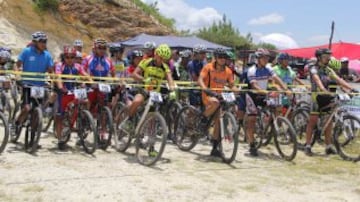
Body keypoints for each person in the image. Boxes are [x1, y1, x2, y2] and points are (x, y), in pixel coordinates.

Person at [304, 48, 355, 156]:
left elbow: (338, 79)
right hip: (316, 97)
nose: (328, 59)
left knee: (329, 122)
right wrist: (322, 88)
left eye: (328, 57)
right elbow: (316, 79)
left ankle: (328, 146)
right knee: (312, 121)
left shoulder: (328, 69)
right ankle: (308, 145)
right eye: (325, 57)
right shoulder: (313, 68)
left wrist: (351, 88)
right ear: (319, 58)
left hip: (327, 97)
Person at [245, 48, 290, 156]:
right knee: (252, 119)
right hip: (253, 96)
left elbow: (276, 78)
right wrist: (267, 92)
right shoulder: (251, 70)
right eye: (263, 58)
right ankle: (251, 144)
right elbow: (255, 86)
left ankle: (269, 126)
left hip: (264, 94)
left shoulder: (268, 68)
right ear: (258, 59)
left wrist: (285, 88)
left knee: (276, 107)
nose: (266, 60)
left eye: (267, 58)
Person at [14, 31, 54, 141]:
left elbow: (51, 71)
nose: (44, 43)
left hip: (40, 86)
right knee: (27, 108)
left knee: (38, 111)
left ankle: (34, 136)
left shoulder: (47, 55)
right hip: (27, 84)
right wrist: (18, 77)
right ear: (35, 42)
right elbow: (17, 65)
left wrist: (54, 82)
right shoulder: (27, 51)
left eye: (45, 41)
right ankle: (17, 123)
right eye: (41, 41)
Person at [198, 48, 237, 157]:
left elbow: (231, 84)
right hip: (208, 94)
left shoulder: (228, 71)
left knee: (219, 121)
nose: (222, 59)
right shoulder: (208, 67)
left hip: (220, 96)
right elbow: (200, 79)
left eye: (224, 57)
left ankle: (215, 148)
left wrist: (237, 90)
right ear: (216, 57)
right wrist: (204, 88)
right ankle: (203, 118)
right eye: (220, 57)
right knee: (215, 103)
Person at [54, 46, 91, 150]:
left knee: (86, 101)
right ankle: (60, 138)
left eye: (72, 57)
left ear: (75, 57)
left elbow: (85, 74)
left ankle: (84, 119)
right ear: (64, 57)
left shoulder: (78, 66)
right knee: (60, 115)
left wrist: (89, 81)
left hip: (74, 91)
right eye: (67, 57)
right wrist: (61, 88)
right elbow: (58, 77)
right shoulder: (60, 65)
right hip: (64, 92)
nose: (69, 59)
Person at [129, 44, 176, 118]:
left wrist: (172, 90)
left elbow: (170, 79)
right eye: (160, 57)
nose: (161, 60)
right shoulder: (146, 62)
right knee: (137, 101)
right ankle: (129, 120)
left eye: (164, 59)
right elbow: (134, 74)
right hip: (144, 90)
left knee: (153, 115)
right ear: (156, 54)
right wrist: (144, 79)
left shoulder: (165, 67)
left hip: (155, 93)